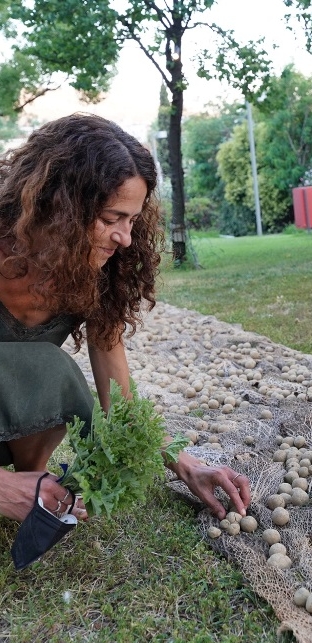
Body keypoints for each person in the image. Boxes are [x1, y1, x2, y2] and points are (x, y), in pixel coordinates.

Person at [0, 113, 250, 525]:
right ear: (59, 204)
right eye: (110, 218)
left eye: (132, 220)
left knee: (47, 376)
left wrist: (184, 463)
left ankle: (32, 483)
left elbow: (119, 399)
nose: (125, 238)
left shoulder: (93, 275)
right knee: (50, 367)